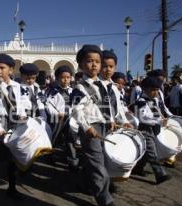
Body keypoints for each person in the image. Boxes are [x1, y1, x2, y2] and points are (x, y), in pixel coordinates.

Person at [71, 45, 114, 206]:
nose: (94, 65)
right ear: (81, 65)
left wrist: (110, 120)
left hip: (102, 125)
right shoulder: (80, 87)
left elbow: (106, 104)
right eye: (89, 61)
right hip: (90, 128)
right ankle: (105, 200)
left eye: (97, 61)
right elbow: (76, 110)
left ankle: (84, 184)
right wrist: (86, 127)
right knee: (97, 164)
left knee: (96, 160)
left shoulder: (103, 84)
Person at [0, 53, 26, 200]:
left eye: (2, 68)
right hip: (1, 124)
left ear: (11, 69)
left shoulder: (18, 86)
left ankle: (12, 187)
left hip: (16, 123)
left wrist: (22, 115)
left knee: (13, 156)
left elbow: (21, 104)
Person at [131, 76, 172, 184]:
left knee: (147, 152)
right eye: (153, 90)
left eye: (157, 90)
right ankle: (160, 174)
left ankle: (138, 168)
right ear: (146, 89)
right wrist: (159, 121)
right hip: (144, 129)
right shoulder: (141, 101)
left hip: (151, 129)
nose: (156, 92)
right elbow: (142, 118)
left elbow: (155, 114)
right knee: (152, 153)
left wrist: (162, 118)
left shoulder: (152, 100)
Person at [46, 65, 79, 170]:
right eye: (63, 77)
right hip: (57, 120)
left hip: (69, 119)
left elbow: (76, 104)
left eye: (68, 77)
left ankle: (73, 162)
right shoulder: (53, 91)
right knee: (54, 138)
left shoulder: (73, 91)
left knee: (70, 140)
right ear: (58, 78)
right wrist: (56, 113)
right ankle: (49, 156)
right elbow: (48, 104)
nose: (66, 80)